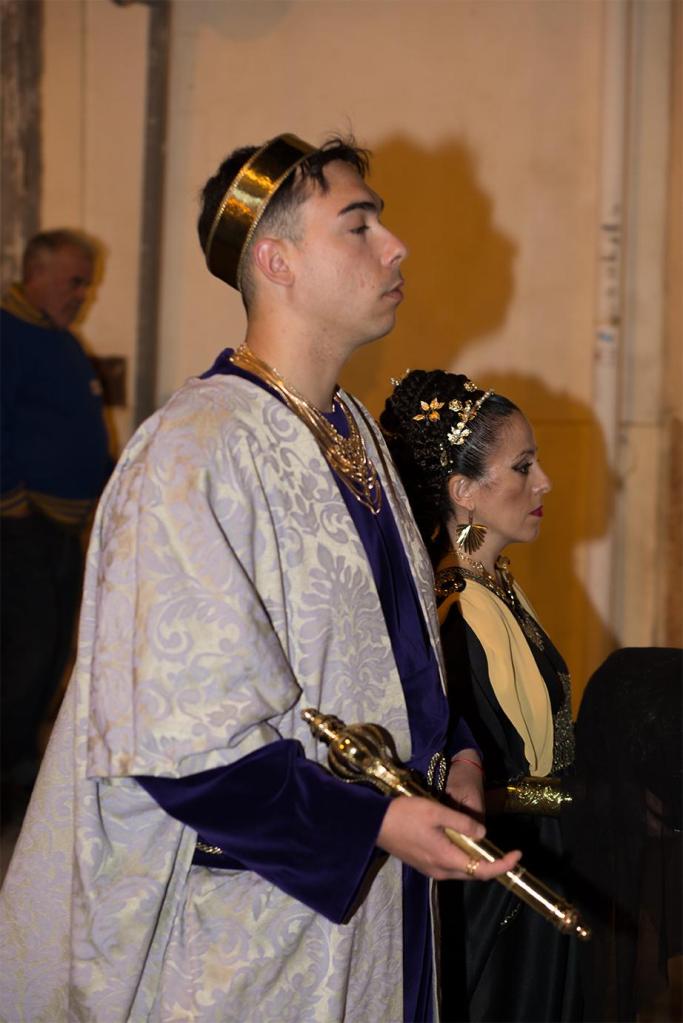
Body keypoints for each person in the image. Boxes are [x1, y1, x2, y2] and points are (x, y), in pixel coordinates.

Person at [0, 135, 519, 1022]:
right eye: (358, 225)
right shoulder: (195, 450)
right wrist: (372, 823)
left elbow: (393, 647)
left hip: (380, 911)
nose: (394, 246)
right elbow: (177, 741)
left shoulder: (351, 430)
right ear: (275, 260)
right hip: (258, 925)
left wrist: (458, 752)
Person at [380, 368, 581, 1022]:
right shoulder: (457, 609)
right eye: (522, 466)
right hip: (498, 890)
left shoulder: (496, 589)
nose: (543, 481)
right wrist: (573, 802)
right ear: (462, 491)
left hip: (535, 867)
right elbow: (475, 780)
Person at [0, 229, 111, 822]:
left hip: (60, 531)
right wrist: (14, 505)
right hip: (23, 530)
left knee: (47, 660)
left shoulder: (60, 340)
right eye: (75, 281)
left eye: (86, 283)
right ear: (36, 274)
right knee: (24, 658)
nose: (82, 294)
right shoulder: (8, 333)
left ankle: (20, 777)